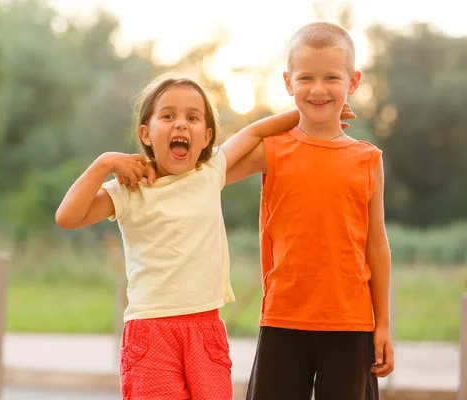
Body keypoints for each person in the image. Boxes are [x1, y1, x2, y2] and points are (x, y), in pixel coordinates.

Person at [55, 74, 355, 400]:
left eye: (193, 118)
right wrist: (104, 163)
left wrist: (315, 115)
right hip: (150, 332)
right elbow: (67, 217)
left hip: (205, 330)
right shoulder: (131, 188)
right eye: (168, 116)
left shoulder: (211, 171)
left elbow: (255, 131)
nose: (181, 125)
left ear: (206, 137)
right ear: (146, 133)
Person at [224, 22, 393, 400]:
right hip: (284, 317)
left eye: (331, 77)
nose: (318, 89)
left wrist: (382, 325)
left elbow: (377, 246)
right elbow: (213, 170)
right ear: (288, 82)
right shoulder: (272, 151)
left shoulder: (368, 159)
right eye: (306, 78)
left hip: (351, 322)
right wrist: (278, 122)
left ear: (353, 82)